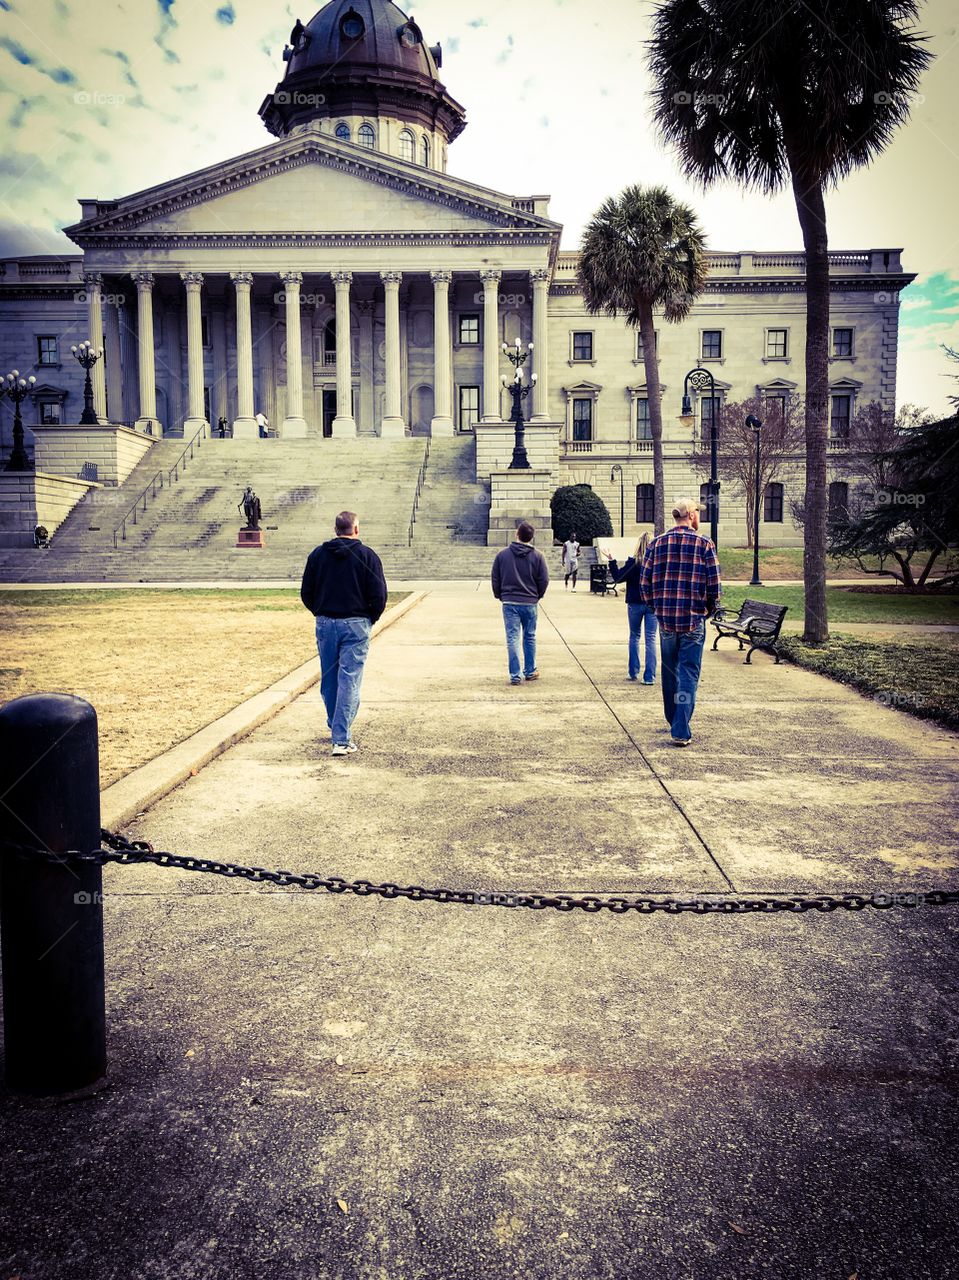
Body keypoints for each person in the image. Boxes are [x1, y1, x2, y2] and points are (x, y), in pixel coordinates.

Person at [300, 510, 388, 757]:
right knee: (349, 678)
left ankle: (335, 722)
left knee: (329, 676)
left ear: (336, 529)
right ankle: (341, 737)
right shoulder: (367, 556)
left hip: (326, 622)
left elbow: (307, 591)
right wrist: (370, 618)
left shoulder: (318, 555)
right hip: (356, 623)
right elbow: (379, 595)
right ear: (356, 529)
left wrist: (320, 611)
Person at [640, 499, 721, 746]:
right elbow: (715, 586)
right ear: (691, 516)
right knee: (688, 673)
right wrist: (707, 608)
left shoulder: (657, 543)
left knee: (669, 671)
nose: (699, 517)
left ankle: (673, 718)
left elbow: (645, 584)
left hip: (666, 621)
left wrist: (658, 609)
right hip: (692, 620)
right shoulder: (704, 544)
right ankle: (680, 727)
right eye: (698, 512)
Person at [491, 519, 549, 685]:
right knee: (530, 636)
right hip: (530, 602)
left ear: (517, 534)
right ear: (531, 537)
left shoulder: (502, 555)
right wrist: (537, 595)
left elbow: (495, 578)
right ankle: (530, 671)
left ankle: (515, 675)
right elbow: (544, 579)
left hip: (510, 602)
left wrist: (499, 595)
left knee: (512, 638)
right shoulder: (538, 556)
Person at [603, 533, 657, 683]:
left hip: (634, 603)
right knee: (651, 639)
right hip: (652, 604)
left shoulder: (633, 563)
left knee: (634, 636)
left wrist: (611, 560)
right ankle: (649, 676)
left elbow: (618, 578)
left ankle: (633, 672)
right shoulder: (656, 563)